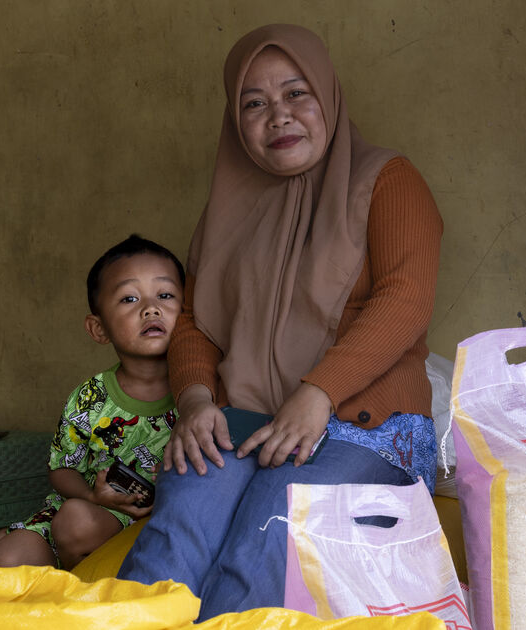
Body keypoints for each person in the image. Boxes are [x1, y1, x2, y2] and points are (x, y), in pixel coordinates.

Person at [118, 24, 443, 619]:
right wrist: (194, 400)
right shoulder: (227, 208)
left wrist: (317, 394)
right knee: (184, 514)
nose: (279, 116)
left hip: (365, 424)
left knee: (273, 521)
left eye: (297, 94)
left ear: (327, 95)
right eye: (254, 103)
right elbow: (195, 317)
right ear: (235, 121)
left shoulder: (388, 181)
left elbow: (405, 300)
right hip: (244, 418)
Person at [0, 234, 185, 569]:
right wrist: (94, 496)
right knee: (5, 558)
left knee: (75, 522)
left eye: (165, 295)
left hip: (156, 525)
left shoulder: (196, 393)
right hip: (91, 510)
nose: (151, 308)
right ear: (98, 328)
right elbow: (62, 468)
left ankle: (82, 602)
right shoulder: (90, 397)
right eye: (129, 298)